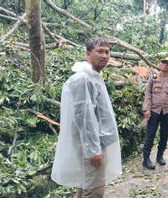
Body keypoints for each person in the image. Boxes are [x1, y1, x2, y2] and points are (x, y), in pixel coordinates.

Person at [51, 37, 122, 197]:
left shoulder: (93, 76)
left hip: (94, 141)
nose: (104, 56)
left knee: (87, 183)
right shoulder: (83, 79)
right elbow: (84, 117)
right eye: (100, 51)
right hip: (89, 144)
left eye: (107, 52)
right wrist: (93, 150)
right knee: (94, 188)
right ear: (88, 53)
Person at [142, 57, 168, 170]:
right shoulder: (153, 77)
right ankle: (146, 159)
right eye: (163, 63)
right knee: (151, 134)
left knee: (165, 134)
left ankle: (160, 156)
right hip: (154, 110)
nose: (165, 65)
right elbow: (148, 93)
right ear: (160, 64)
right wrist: (147, 109)